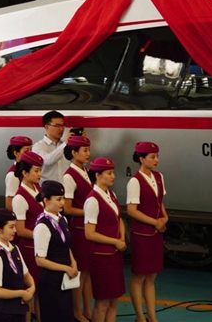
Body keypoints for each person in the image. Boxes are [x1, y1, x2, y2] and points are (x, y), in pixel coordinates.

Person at [127, 141, 168, 322]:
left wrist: (164, 218)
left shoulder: (158, 177)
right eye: (152, 157)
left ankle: (152, 317)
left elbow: (159, 201)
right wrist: (155, 222)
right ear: (141, 159)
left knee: (152, 276)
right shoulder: (135, 181)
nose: (156, 160)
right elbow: (132, 210)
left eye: (157, 156)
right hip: (142, 234)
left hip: (155, 233)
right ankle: (140, 316)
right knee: (139, 276)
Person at [84, 158, 126, 322]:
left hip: (114, 255)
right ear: (98, 175)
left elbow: (119, 219)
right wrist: (115, 241)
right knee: (102, 303)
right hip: (101, 257)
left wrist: (121, 237)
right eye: (109, 173)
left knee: (114, 300)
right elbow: (90, 233)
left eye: (112, 172)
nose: (113, 176)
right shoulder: (93, 200)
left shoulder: (111, 195)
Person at [33, 180, 78, 322]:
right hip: (51, 281)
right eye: (58, 199)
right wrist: (65, 268)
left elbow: (65, 245)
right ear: (46, 200)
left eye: (63, 198)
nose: (62, 202)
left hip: (64, 278)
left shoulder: (62, 219)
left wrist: (73, 262)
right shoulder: (42, 226)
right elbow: (40, 260)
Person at [62, 135, 93, 322]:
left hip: (87, 226)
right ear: (74, 153)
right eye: (84, 150)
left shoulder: (85, 171)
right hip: (79, 227)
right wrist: (89, 212)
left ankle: (88, 309)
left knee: (88, 272)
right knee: (80, 271)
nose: (88, 154)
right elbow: (67, 208)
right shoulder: (69, 176)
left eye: (89, 150)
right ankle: (76, 310)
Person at [0, 208, 35, 322]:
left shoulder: (15, 249)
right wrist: (22, 293)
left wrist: (31, 288)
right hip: (5, 313)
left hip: (18, 310)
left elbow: (26, 275)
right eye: (11, 227)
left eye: (15, 226)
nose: (15, 231)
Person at [12, 151, 44, 287]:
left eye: (40, 170)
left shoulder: (37, 189)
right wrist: (42, 236)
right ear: (25, 173)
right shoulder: (20, 197)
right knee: (32, 286)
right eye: (36, 171)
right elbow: (20, 230)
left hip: (40, 246)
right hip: (29, 248)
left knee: (41, 288)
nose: (39, 174)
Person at [31, 111, 71, 183]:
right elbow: (47, 161)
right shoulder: (38, 146)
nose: (61, 129)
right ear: (47, 127)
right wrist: (66, 143)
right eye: (57, 126)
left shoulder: (66, 145)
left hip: (65, 189)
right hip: (47, 190)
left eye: (63, 125)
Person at [5, 136, 33, 211]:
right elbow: (9, 205)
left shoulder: (29, 171)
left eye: (31, 150)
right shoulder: (12, 175)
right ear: (16, 153)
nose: (30, 153)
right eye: (27, 150)